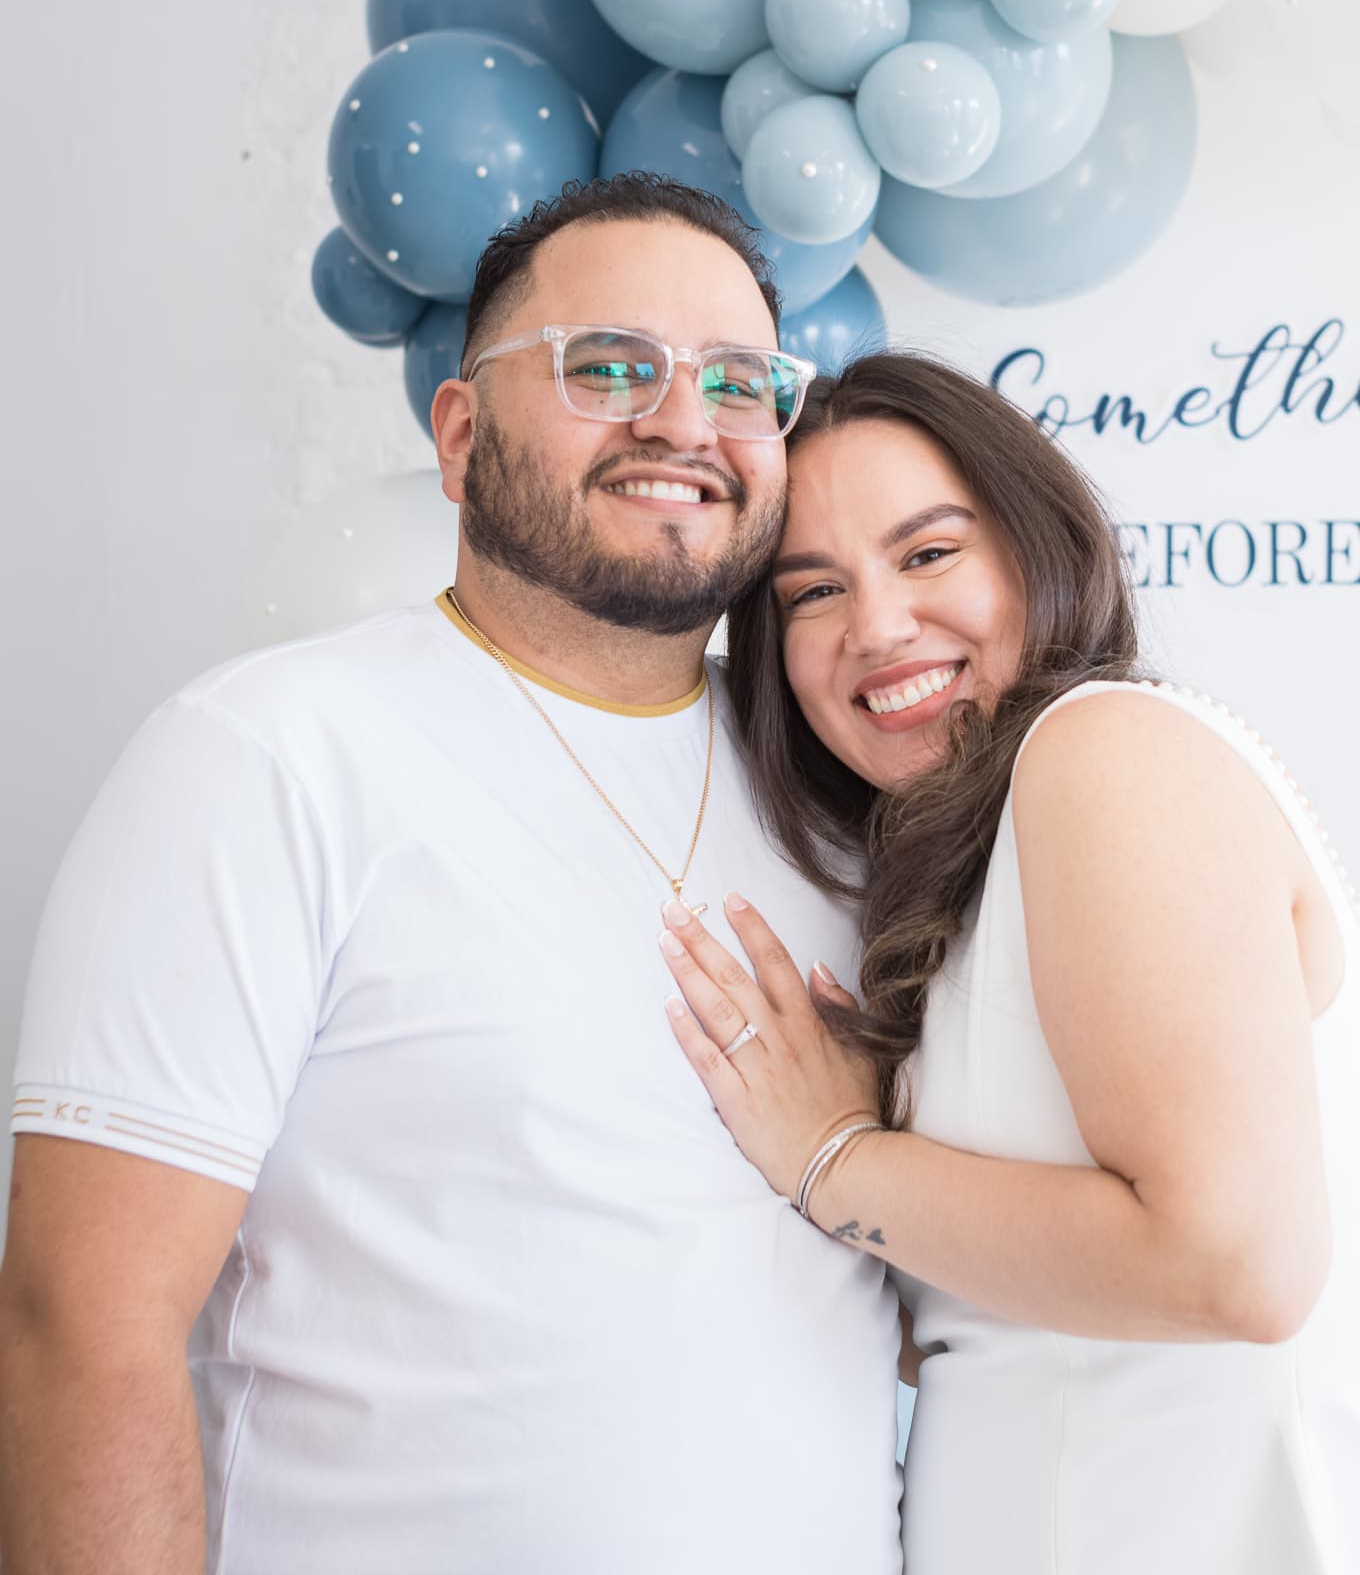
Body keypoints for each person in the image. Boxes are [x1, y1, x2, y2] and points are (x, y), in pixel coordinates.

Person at [0, 178, 905, 1575]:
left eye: (741, 381)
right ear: (463, 435)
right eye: (609, 366)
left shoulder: (841, 788)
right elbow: (82, 1323)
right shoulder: (264, 758)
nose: (681, 421)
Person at [656, 351, 1360, 1575]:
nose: (875, 627)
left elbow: (1233, 1264)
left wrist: (835, 1158)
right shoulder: (963, 862)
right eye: (811, 590)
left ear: (1037, 544)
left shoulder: (1101, 752)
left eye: (928, 553)